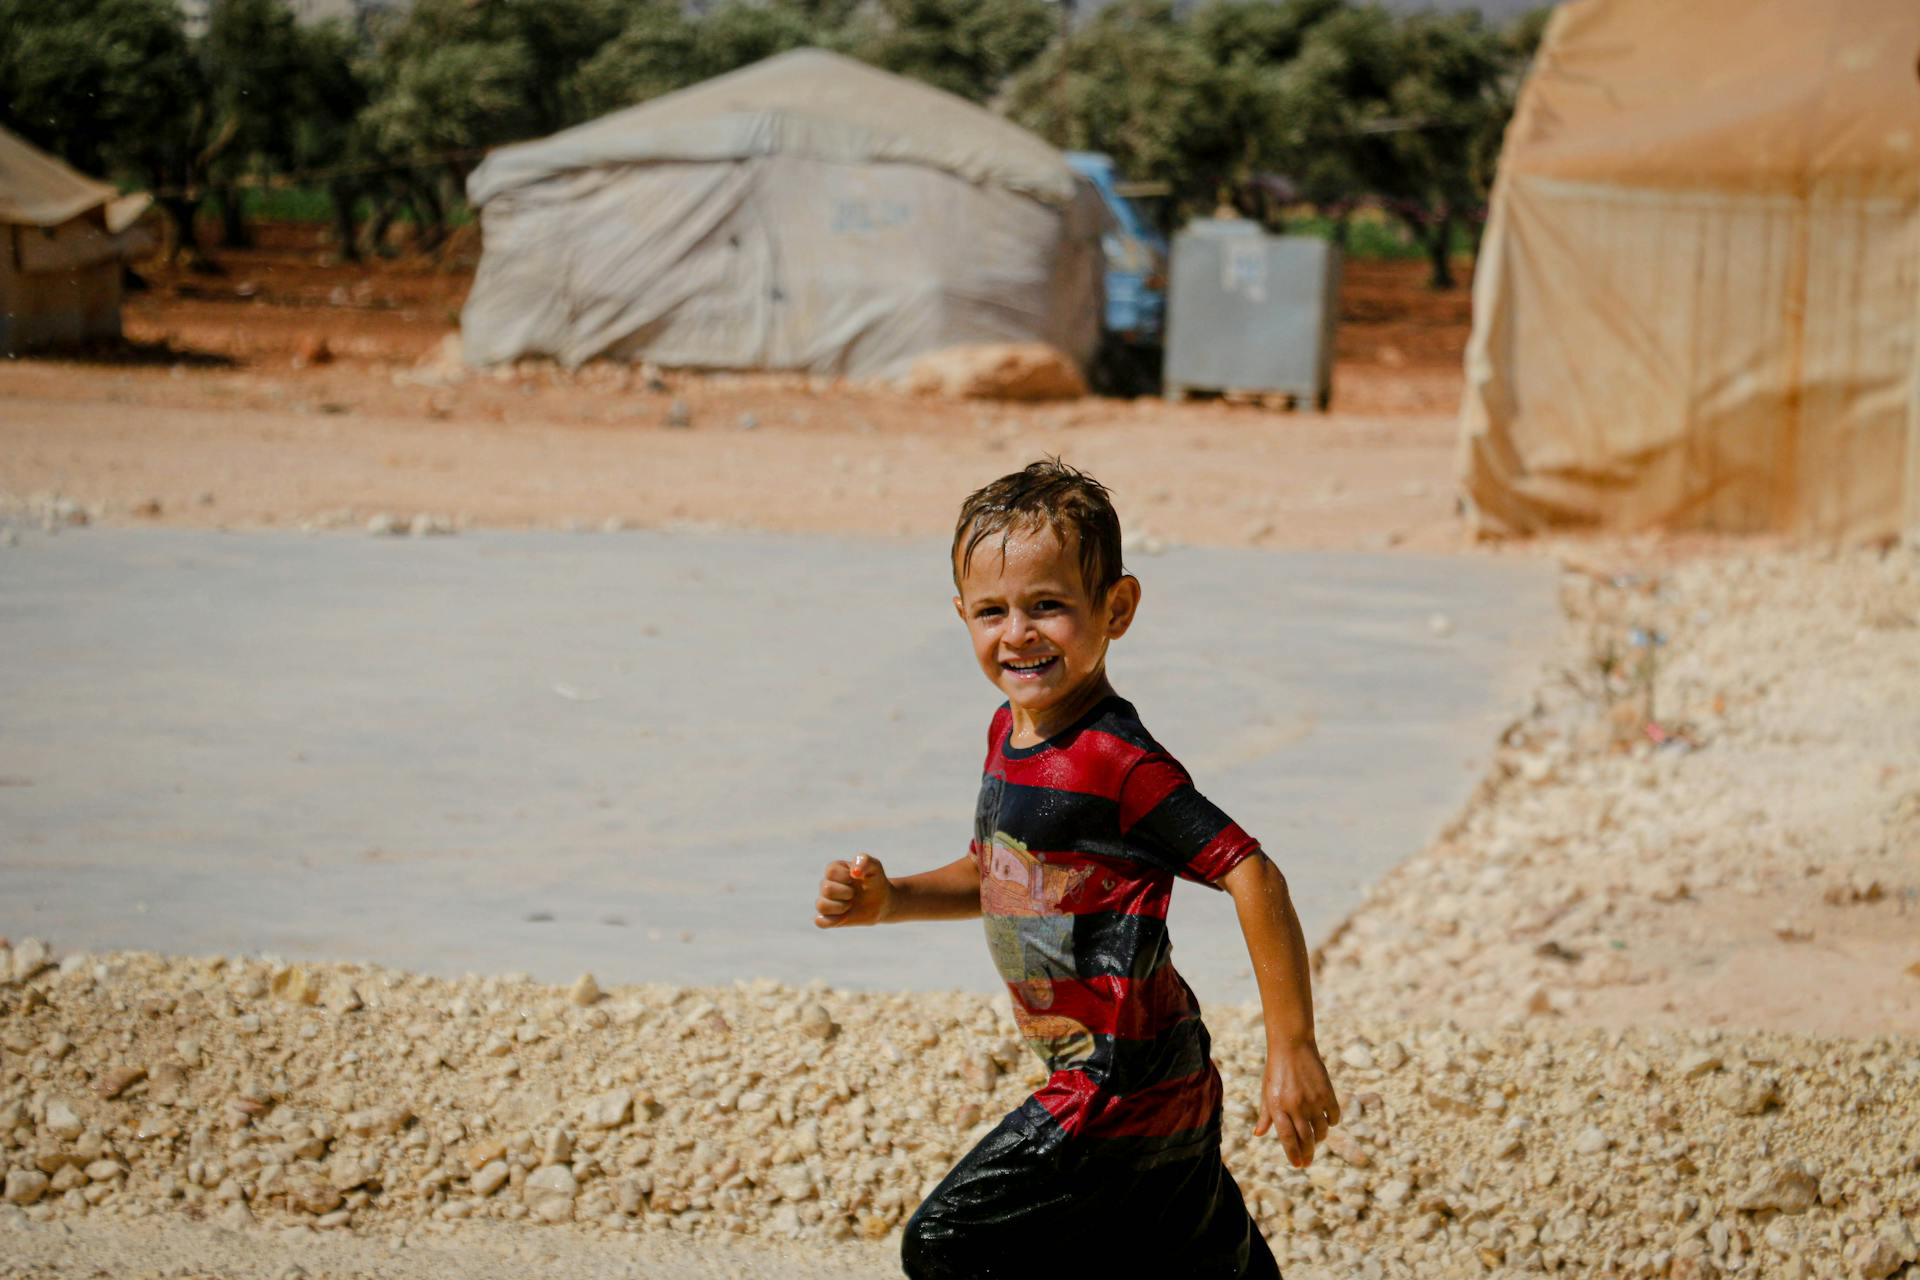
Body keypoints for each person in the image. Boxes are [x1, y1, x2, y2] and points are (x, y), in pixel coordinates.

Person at [813, 458, 1340, 1278]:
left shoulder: (1116, 762)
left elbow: (1253, 874)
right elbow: (1005, 874)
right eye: (992, 611)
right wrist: (891, 900)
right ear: (962, 616)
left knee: (947, 1243)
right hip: (1163, 1081)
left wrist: (1292, 1047)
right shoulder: (1008, 731)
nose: (1018, 632)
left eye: (1048, 606)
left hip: (1117, 1083)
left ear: (1116, 609)